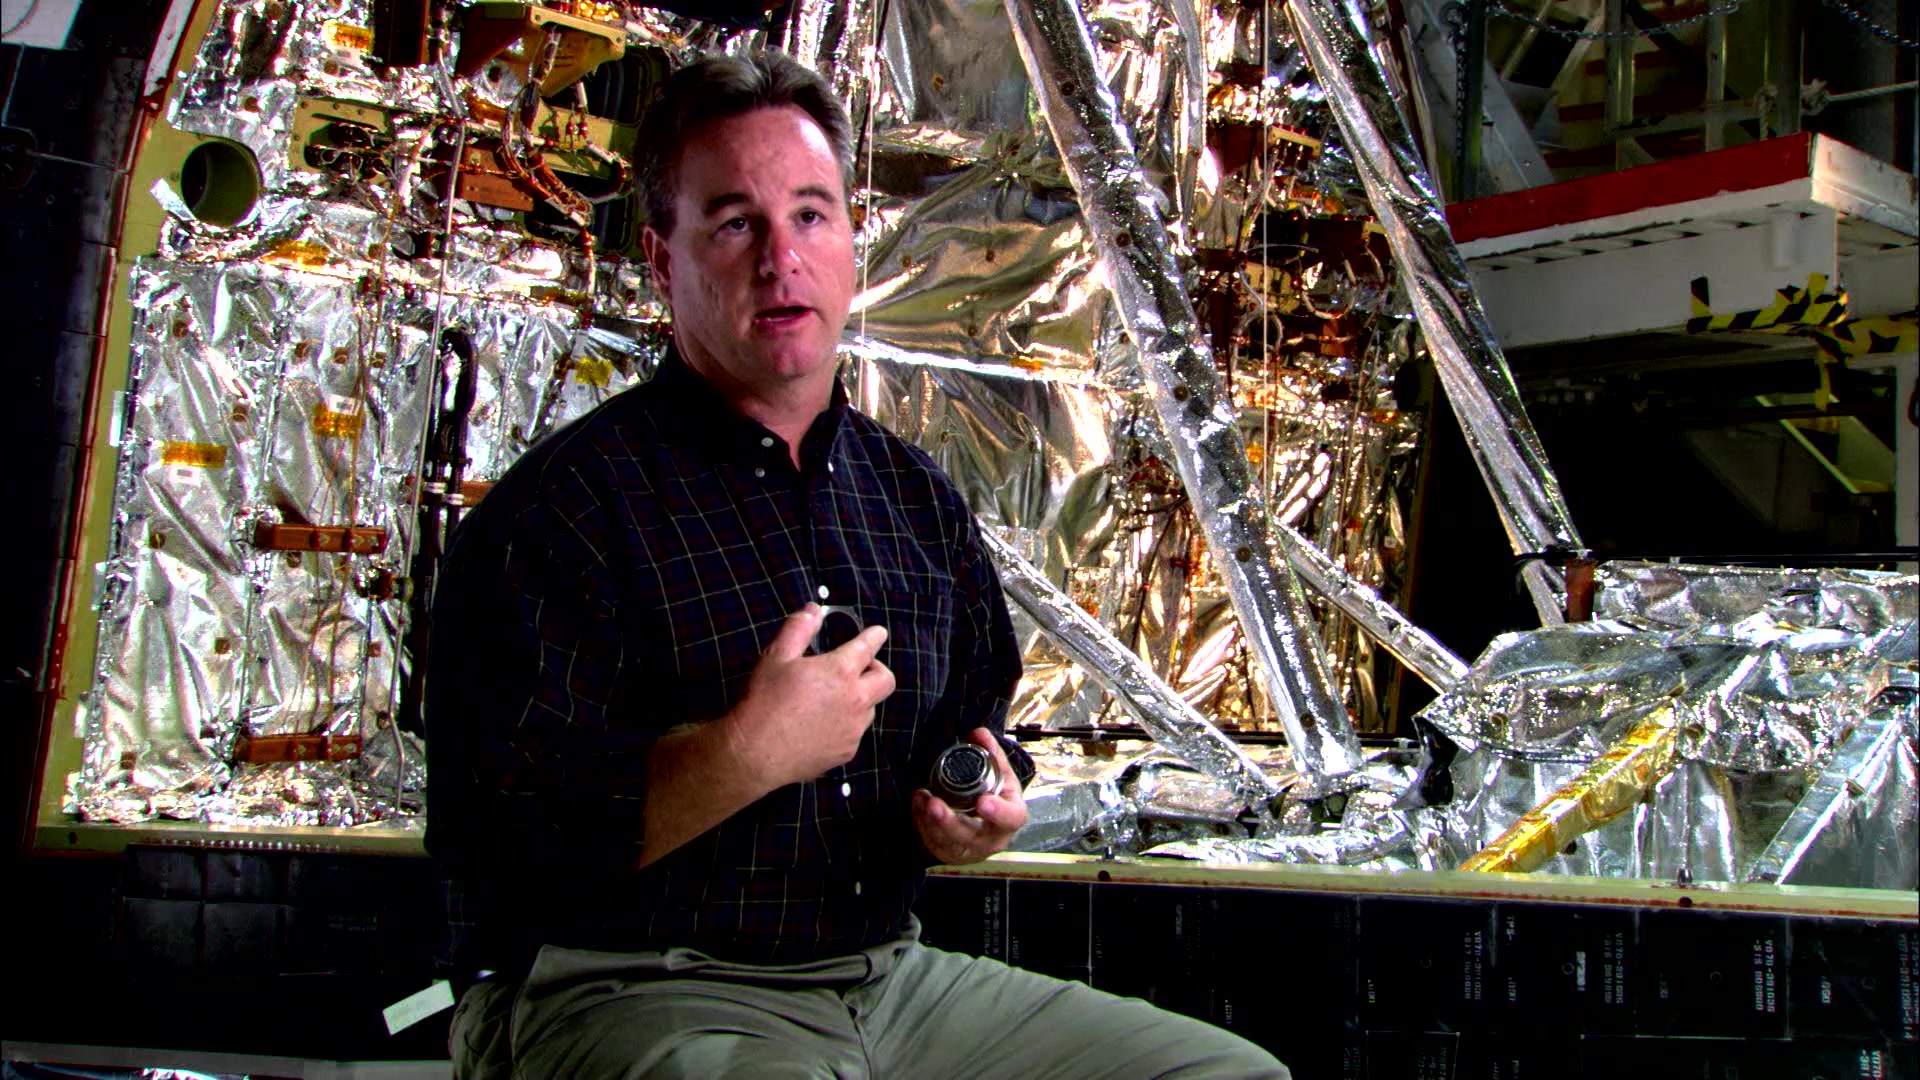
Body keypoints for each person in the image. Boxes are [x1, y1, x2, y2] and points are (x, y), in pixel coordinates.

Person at [424, 50, 1288, 1080]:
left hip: (885, 978)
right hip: (632, 982)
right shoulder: (561, 515)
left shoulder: (914, 499)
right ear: (661, 260)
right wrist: (743, 752)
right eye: (735, 222)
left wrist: (971, 808)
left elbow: (973, 728)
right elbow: (494, 848)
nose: (780, 259)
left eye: (810, 215)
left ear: (851, 239)